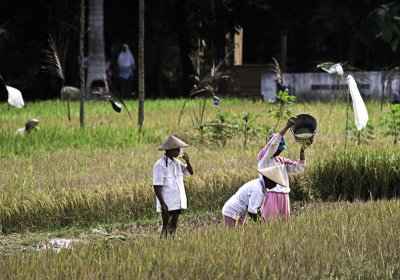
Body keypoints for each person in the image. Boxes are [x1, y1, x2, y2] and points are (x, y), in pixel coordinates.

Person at [257, 117, 311, 221]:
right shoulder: (263, 159)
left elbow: (298, 168)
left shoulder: (282, 161)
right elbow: (272, 145)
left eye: (281, 150)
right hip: (270, 196)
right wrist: (287, 127)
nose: (279, 151)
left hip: (284, 196)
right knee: (269, 224)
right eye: (278, 149)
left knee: (284, 226)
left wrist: (303, 150)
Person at [153, 135, 194, 238]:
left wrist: (187, 161)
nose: (179, 151)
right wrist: (162, 204)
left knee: (174, 225)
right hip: (167, 202)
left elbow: (190, 172)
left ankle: (171, 243)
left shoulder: (177, 163)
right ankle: (163, 245)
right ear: (169, 150)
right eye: (177, 149)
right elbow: (156, 186)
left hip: (177, 201)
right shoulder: (160, 165)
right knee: (166, 226)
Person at [222, 166, 287, 229]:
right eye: (273, 182)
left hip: (234, 211)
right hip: (232, 212)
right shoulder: (258, 189)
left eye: (276, 183)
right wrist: (262, 226)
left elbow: (257, 209)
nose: (275, 185)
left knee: (242, 235)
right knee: (240, 236)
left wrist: (265, 223)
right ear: (267, 179)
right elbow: (252, 212)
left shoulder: (260, 186)